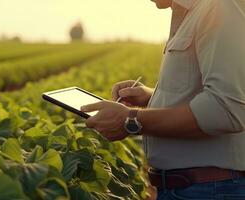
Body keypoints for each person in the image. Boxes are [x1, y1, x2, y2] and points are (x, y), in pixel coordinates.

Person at [81, 0, 245, 199]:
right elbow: (203, 93)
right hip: (191, 189)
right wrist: (151, 98)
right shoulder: (191, 12)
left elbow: (224, 109)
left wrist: (132, 120)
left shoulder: (218, 7)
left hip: (209, 190)